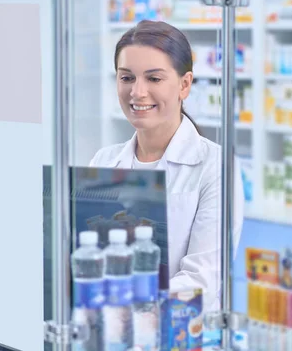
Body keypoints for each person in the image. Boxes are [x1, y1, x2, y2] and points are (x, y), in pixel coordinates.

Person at [90, 20, 244, 311]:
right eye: (126, 78)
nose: (137, 92)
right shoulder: (104, 161)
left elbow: (202, 282)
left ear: (185, 84)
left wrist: (126, 303)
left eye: (154, 79)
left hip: (180, 335)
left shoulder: (215, 166)